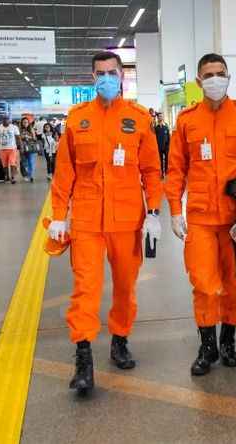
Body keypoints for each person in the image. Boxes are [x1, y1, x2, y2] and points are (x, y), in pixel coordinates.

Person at [49, 51, 162, 394]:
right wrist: (57, 215)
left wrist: (154, 212)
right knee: (86, 288)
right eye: (100, 73)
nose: (107, 78)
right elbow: (64, 173)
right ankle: (84, 357)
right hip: (86, 221)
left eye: (112, 72)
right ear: (92, 76)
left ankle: (120, 339)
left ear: (122, 76)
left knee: (126, 287)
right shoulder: (76, 119)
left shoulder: (139, 119)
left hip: (128, 221)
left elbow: (152, 171)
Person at [165, 53, 236, 376]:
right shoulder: (187, 120)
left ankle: (228, 341)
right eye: (209, 74)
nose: (215, 79)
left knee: (233, 284)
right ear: (199, 81)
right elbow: (175, 170)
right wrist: (175, 209)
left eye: (221, 73)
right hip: (200, 218)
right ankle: (207, 345)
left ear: (228, 77)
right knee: (203, 283)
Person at [0, 116, 21, 184]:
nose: (6, 120)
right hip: (2, 149)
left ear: (9, 120)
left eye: (7, 119)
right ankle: (7, 176)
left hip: (12, 148)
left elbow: (18, 137)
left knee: (12, 163)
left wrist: (20, 145)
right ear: (2, 120)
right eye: (4, 119)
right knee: (5, 164)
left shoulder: (14, 127)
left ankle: (13, 177)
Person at [19, 117, 38, 182]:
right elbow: (18, 138)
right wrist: (22, 137)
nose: (25, 123)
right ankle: (25, 175)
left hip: (30, 147)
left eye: (26, 122)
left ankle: (30, 175)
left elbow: (35, 139)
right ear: (21, 123)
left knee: (31, 162)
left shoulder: (31, 129)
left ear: (28, 123)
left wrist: (28, 137)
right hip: (22, 148)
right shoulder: (19, 130)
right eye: (24, 122)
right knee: (23, 162)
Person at [154, 111, 171, 178]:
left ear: (163, 117)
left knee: (167, 161)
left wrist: (169, 146)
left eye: (161, 116)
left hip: (166, 147)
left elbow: (169, 137)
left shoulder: (166, 127)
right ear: (157, 118)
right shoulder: (156, 128)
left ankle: (166, 173)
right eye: (159, 116)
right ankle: (161, 174)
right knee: (160, 161)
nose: (160, 117)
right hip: (159, 147)